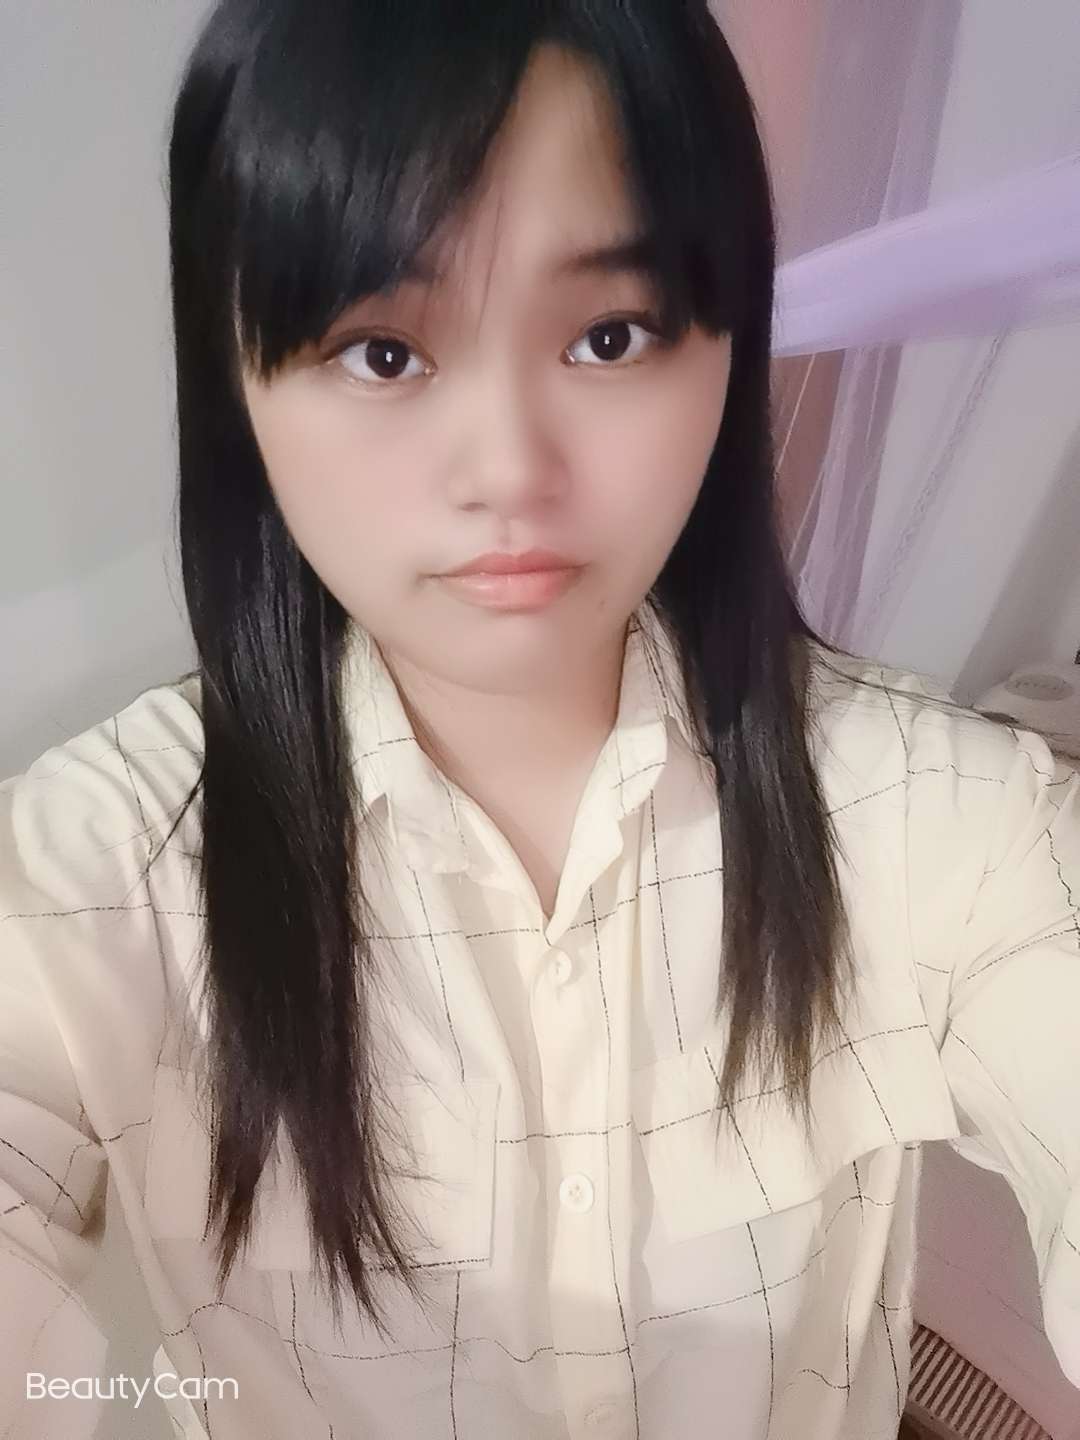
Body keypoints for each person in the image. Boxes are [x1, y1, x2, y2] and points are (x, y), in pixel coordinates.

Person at [2, 2, 1077, 1437]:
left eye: (609, 337)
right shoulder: (105, 870)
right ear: (240, 379)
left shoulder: (926, 813)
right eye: (385, 353)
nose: (509, 467)